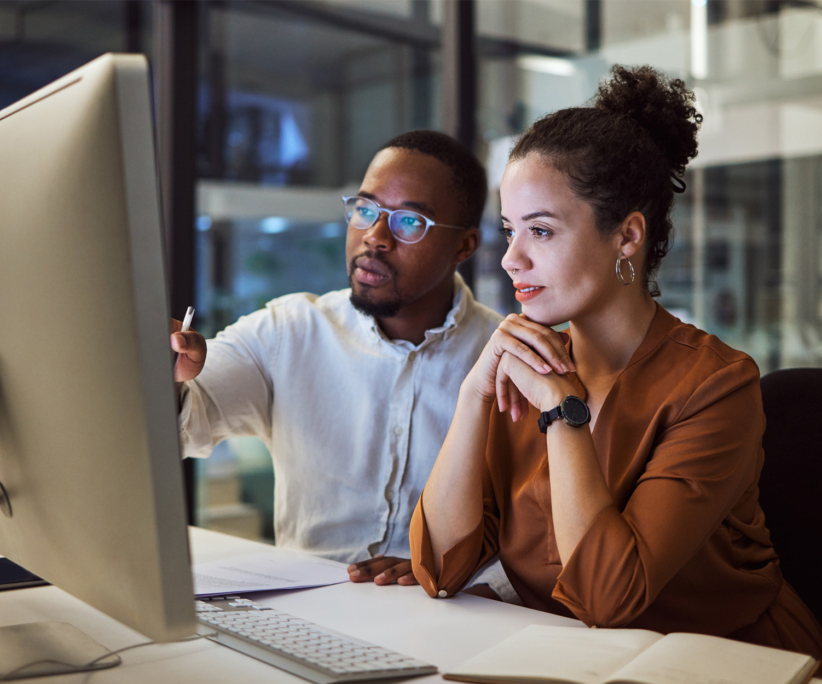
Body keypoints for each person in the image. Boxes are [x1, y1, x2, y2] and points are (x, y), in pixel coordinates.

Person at [411, 66, 822, 661]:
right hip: (568, 660)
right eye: (509, 232)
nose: (511, 260)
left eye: (542, 232)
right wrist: (475, 394)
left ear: (628, 236)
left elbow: (609, 596)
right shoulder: (523, 365)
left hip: (727, 663)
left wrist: (563, 411)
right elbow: (439, 568)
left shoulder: (715, 385)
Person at [172, 130, 513, 599]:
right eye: (366, 209)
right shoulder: (290, 330)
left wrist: (458, 574)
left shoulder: (506, 360)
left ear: (465, 246)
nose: (374, 237)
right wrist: (169, 376)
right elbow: (185, 425)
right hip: (304, 611)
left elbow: (536, 540)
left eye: (410, 222)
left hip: (449, 614)